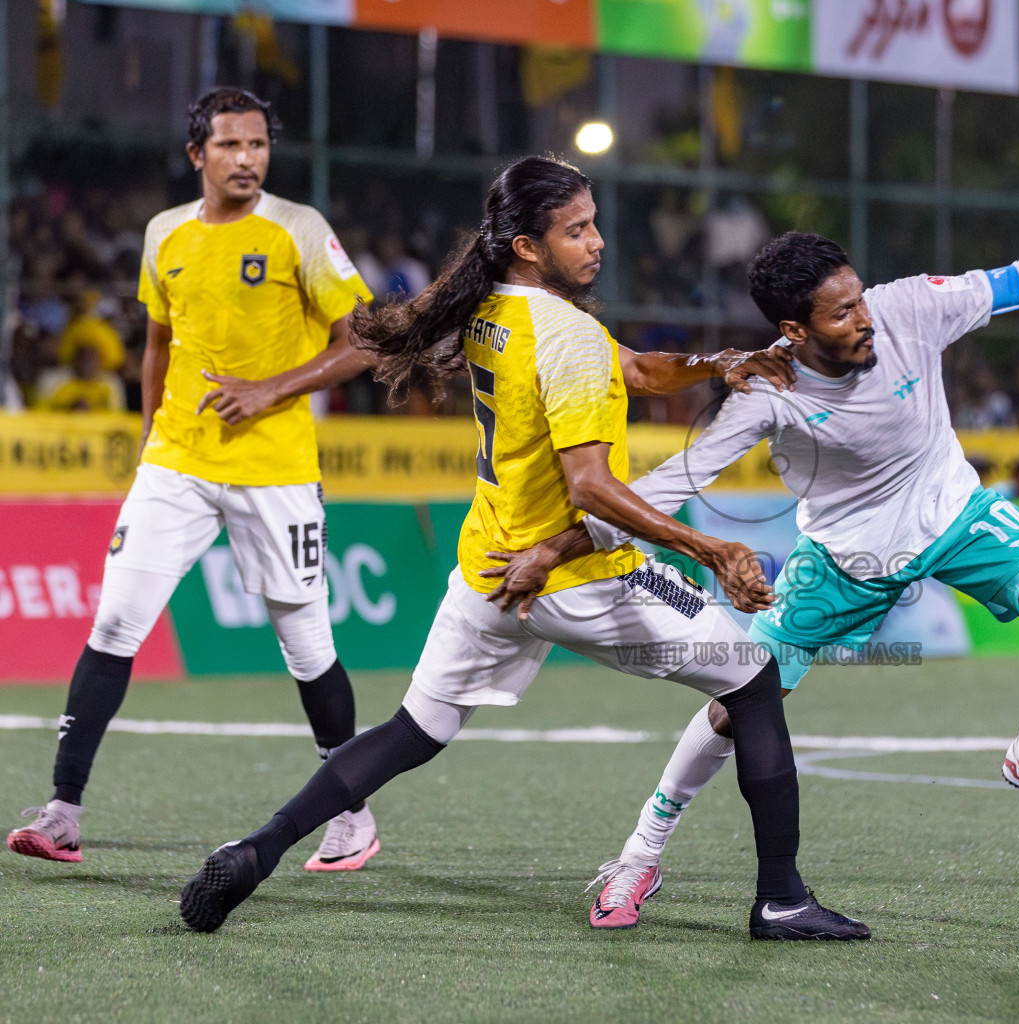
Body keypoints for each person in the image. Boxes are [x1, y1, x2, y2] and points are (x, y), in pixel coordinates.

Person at [482, 209, 1019, 928]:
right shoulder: (766, 395)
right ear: (793, 330)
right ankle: (638, 859)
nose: (863, 319)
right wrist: (553, 548)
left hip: (953, 514)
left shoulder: (911, 307)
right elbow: (661, 491)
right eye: (840, 314)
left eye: (859, 299)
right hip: (847, 557)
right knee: (739, 701)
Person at [176, 155, 868, 942]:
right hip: (580, 579)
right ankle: (780, 896)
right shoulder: (565, 335)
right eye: (576, 231)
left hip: (489, 569)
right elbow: (593, 489)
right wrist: (708, 549)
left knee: (411, 732)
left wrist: (719, 364)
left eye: (594, 223)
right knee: (755, 681)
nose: (597, 242)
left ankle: (255, 850)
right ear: (529, 246)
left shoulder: (492, 309)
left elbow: (637, 368)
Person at [7, 88, 386, 870]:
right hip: (176, 464)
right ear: (196, 155)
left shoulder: (299, 230)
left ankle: (353, 815)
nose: (247, 159)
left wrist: (269, 390)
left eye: (257, 145)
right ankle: (64, 810)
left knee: (306, 645)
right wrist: (152, 438)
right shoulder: (165, 233)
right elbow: (157, 340)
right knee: (113, 626)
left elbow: (365, 345)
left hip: (275, 469)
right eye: (230, 146)